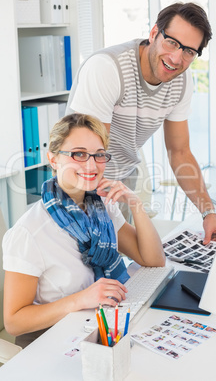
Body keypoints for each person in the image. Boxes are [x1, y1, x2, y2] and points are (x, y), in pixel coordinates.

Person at [2, 114, 165, 348]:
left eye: (99, 155)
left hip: (99, 325)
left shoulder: (102, 207)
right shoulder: (30, 232)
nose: (91, 165)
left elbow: (153, 259)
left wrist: (135, 204)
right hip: (50, 340)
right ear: (53, 159)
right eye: (78, 154)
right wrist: (80, 299)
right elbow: (14, 322)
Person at [66, 1, 216, 244]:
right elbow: (91, 155)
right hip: (80, 183)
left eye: (189, 51)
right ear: (153, 34)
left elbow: (180, 152)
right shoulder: (107, 68)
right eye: (171, 42)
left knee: (122, 270)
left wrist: (208, 212)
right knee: (88, 272)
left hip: (121, 183)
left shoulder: (181, 81)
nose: (176, 58)